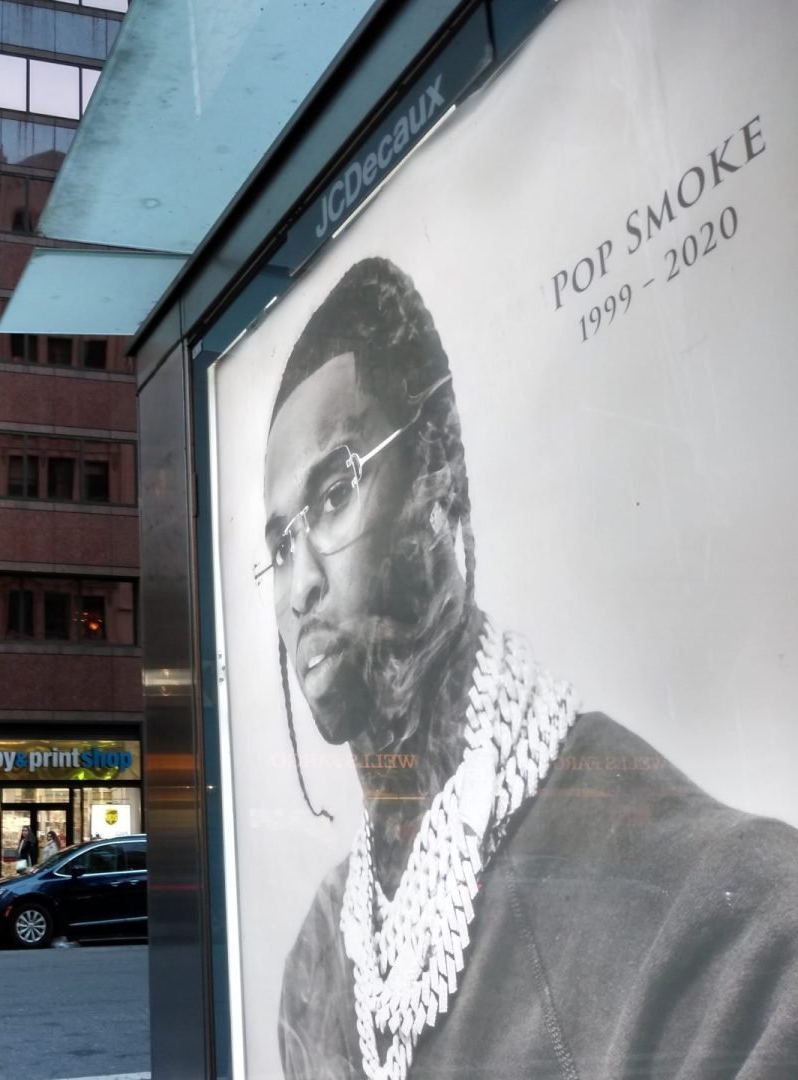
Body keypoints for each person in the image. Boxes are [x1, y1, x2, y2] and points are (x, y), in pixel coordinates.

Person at [260, 258, 798, 1079]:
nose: (300, 585)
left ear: (440, 473)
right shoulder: (314, 974)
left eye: (334, 494)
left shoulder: (722, 926)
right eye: (278, 546)